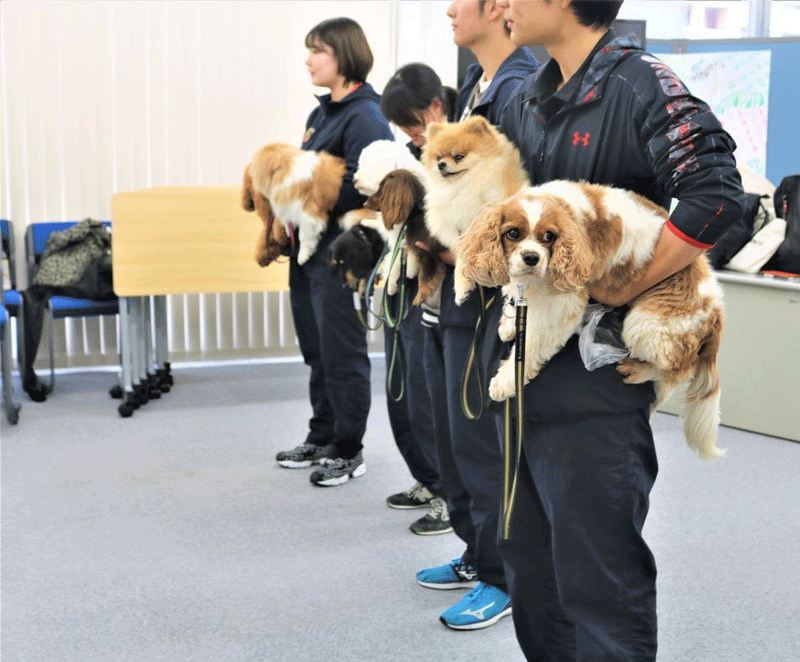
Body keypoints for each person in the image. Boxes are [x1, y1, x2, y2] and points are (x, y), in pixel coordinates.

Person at [488, 1, 746, 659]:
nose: (502, 5)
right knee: (531, 575)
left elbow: (716, 192)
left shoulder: (638, 83)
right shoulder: (529, 97)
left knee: (598, 583)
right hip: (523, 384)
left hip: (594, 393)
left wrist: (626, 286)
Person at [414, 0, 539, 631]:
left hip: (492, 302)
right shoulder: (476, 86)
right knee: (454, 438)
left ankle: (501, 574)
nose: (448, 11)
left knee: (484, 442)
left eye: (460, 2)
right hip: (454, 299)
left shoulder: (519, 92)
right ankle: (475, 552)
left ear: (498, 8)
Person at [275, 17, 393, 487]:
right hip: (306, 253)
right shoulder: (321, 115)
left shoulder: (365, 116)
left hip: (340, 256)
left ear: (342, 56)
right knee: (316, 350)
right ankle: (322, 434)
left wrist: (302, 187)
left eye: (317, 51)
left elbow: (371, 187)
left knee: (341, 353)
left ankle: (349, 448)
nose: (308, 60)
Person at [379, 63, 457, 535]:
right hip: (407, 279)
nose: (410, 136)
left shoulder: (459, 150)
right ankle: (429, 479)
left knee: (436, 402)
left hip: (449, 285)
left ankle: (451, 496)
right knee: (404, 389)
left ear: (434, 108)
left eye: (412, 124)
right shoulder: (413, 151)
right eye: (402, 130)